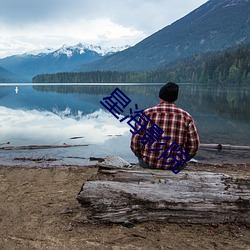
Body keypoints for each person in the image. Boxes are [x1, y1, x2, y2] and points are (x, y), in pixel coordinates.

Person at [130, 82, 200, 171]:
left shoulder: (147, 114)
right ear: (175, 98)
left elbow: (135, 142)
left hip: (149, 163)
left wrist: (141, 156)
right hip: (176, 165)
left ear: (160, 96)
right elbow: (194, 146)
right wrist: (183, 159)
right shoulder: (186, 116)